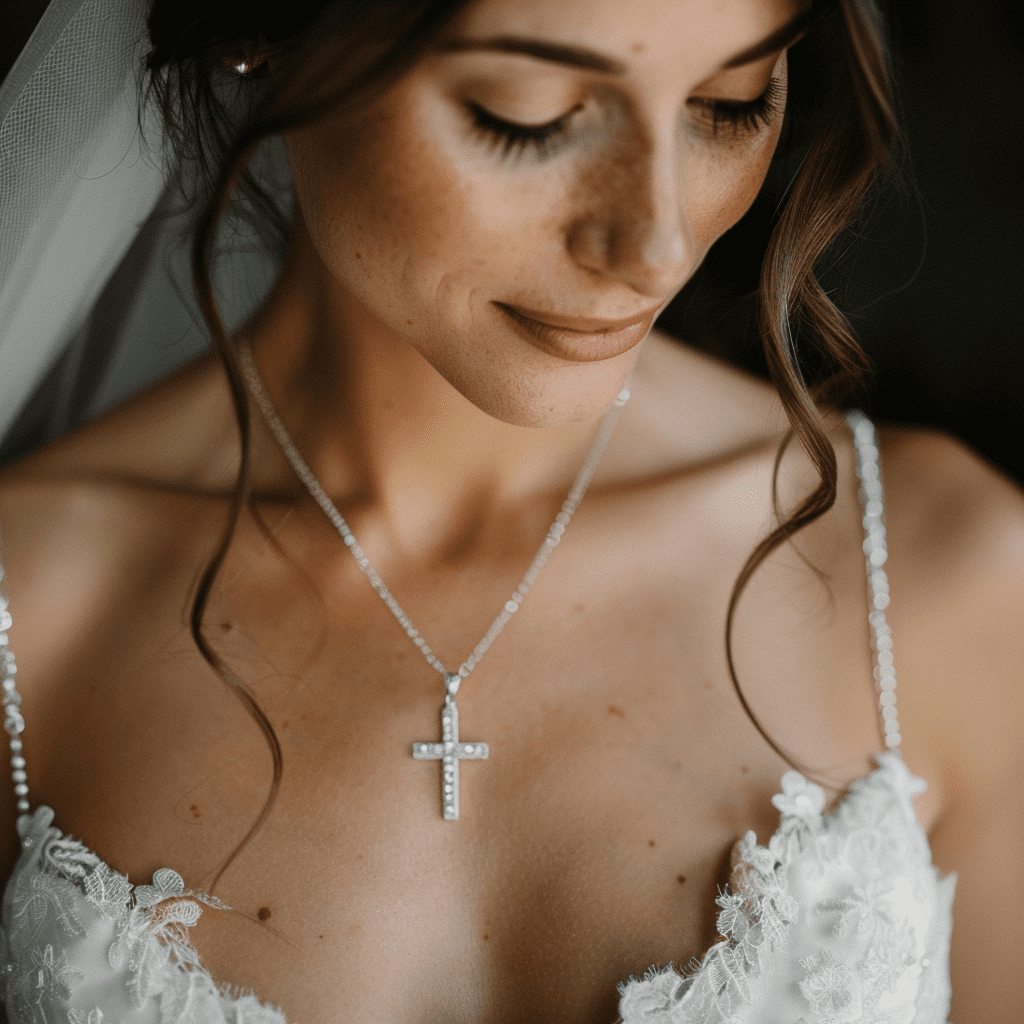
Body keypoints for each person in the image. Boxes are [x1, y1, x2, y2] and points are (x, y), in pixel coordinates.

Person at [0, 0, 1021, 1019]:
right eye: (523, 116)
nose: (653, 244)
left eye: (727, 104)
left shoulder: (951, 580)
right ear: (257, 25)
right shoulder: (29, 612)